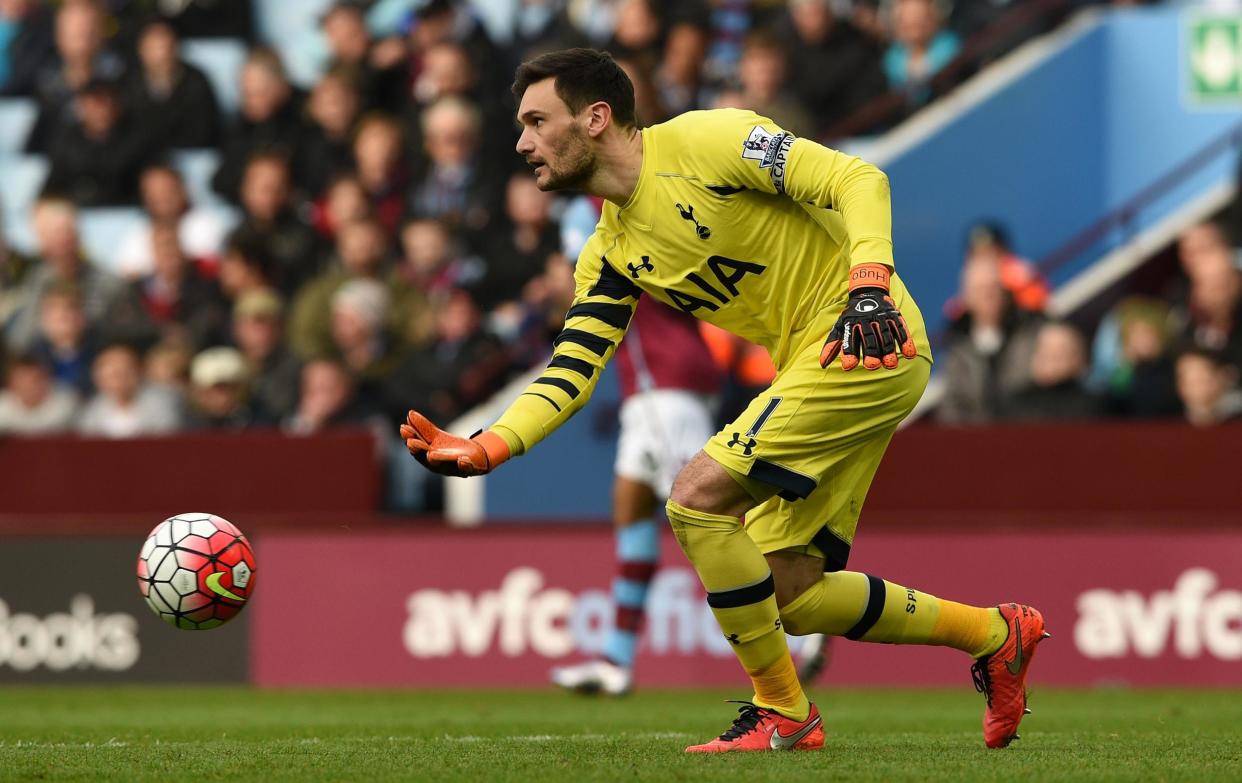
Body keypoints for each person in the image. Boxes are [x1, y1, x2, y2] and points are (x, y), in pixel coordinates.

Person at [399, 48, 1047, 752]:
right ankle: (995, 633)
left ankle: (783, 709)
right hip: (817, 361)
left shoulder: (707, 140)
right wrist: (491, 442)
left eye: (535, 121)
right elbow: (571, 372)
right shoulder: (610, 251)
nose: (521, 142)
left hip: (863, 335)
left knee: (696, 499)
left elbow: (856, 177)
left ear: (595, 118)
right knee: (790, 590)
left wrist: (868, 285)